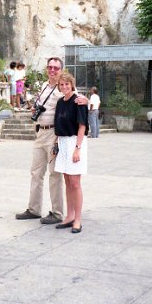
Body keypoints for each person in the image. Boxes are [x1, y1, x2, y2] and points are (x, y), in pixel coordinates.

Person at [16, 57, 87, 225]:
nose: (52, 70)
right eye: (50, 67)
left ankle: (57, 212)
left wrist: (88, 100)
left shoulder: (63, 87)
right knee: (36, 172)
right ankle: (34, 209)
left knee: (55, 174)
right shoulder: (44, 86)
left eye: (56, 67)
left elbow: (78, 99)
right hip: (40, 132)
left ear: (61, 70)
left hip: (54, 134)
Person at [52, 71, 88, 234]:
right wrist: (56, 145)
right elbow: (58, 126)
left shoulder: (78, 101)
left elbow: (82, 126)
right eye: (61, 84)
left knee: (75, 182)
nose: (64, 86)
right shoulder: (60, 102)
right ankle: (70, 216)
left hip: (75, 141)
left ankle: (78, 219)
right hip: (63, 142)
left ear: (71, 84)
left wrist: (77, 149)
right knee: (67, 180)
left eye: (67, 84)